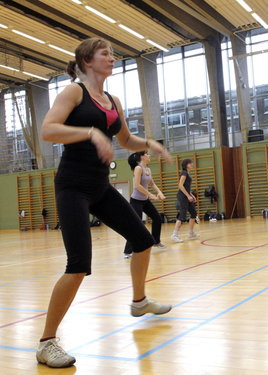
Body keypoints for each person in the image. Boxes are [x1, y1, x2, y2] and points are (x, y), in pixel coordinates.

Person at [37, 38, 173, 368]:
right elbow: (48, 129)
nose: (112, 58)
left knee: (142, 240)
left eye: (112, 53)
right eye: (105, 54)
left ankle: (139, 300)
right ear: (86, 60)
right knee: (79, 265)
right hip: (72, 186)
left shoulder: (112, 100)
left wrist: (150, 143)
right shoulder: (74, 92)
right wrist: (91, 133)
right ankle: (46, 342)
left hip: (100, 186)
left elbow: (125, 139)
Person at [124, 151, 166, 259]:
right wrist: (151, 195)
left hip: (145, 200)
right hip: (136, 201)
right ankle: (127, 251)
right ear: (142, 157)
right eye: (147, 154)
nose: (149, 155)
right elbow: (137, 185)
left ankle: (156, 241)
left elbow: (152, 183)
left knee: (157, 218)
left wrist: (159, 192)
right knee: (135, 225)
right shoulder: (138, 168)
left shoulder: (148, 169)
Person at [171, 159, 200, 242]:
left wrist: (191, 195)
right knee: (182, 214)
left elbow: (186, 187)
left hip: (186, 196)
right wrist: (188, 196)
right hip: (183, 196)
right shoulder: (184, 173)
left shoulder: (187, 173)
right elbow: (180, 185)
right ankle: (174, 235)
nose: (192, 164)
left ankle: (191, 232)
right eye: (190, 163)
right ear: (186, 164)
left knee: (193, 213)